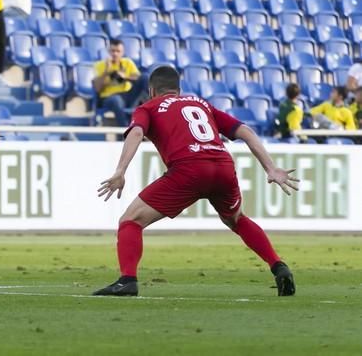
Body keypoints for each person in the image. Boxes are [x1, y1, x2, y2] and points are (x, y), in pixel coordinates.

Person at [94, 65, 298, 297]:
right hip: (223, 167)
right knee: (237, 219)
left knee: (130, 220)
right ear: (178, 90)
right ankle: (278, 266)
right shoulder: (200, 103)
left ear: (151, 91)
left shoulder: (148, 106)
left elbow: (137, 133)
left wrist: (120, 171)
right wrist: (270, 168)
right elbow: (246, 131)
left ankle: (127, 280)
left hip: (188, 169)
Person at [92, 40, 147, 127]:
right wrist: (106, 72)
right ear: (109, 52)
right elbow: (97, 88)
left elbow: (138, 77)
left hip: (127, 95)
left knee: (145, 77)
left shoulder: (127, 63)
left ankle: (155, 109)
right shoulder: (100, 65)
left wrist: (125, 77)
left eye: (118, 51)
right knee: (116, 100)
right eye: (113, 51)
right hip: (109, 97)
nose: (115, 54)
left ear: (122, 52)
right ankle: (126, 130)